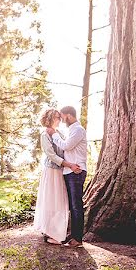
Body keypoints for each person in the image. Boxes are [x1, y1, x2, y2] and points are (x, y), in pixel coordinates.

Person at [34, 108, 82, 245]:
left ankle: (58, 231)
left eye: (59, 117)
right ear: (49, 118)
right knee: (51, 201)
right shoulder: (45, 134)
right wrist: (68, 164)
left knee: (61, 202)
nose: (59, 119)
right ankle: (49, 232)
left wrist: (72, 163)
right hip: (51, 171)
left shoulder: (59, 133)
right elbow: (51, 155)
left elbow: (66, 148)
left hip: (61, 171)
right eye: (56, 117)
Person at [48, 105, 87, 247]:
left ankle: (78, 239)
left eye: (63, 117)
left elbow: (66, 146)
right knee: (71, 205)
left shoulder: (78, 130)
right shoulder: (72, 130)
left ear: (69, 115)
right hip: (70, 171)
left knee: (76, 205)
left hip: (76, 172)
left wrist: (54, 134)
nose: (63, 121)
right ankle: (73, 235)